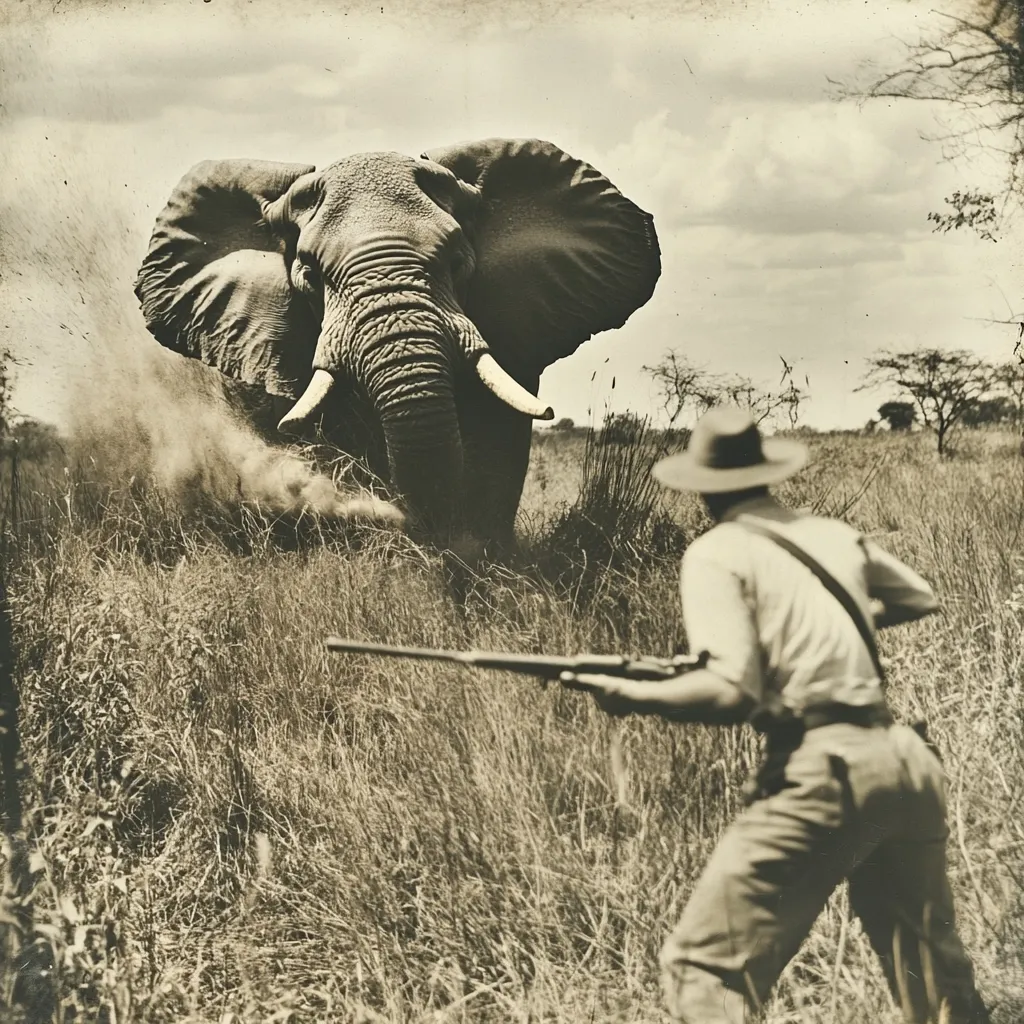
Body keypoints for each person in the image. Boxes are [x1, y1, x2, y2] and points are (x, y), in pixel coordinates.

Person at [559, 406, 991, 1024]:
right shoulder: (834, 534)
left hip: (825, 772)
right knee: (928, 971)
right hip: (905, 760)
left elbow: (732, 689)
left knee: (706, 972)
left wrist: (630, 695)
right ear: (766, 474)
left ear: (701, 488)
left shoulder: (716, 552)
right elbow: (920, 597)